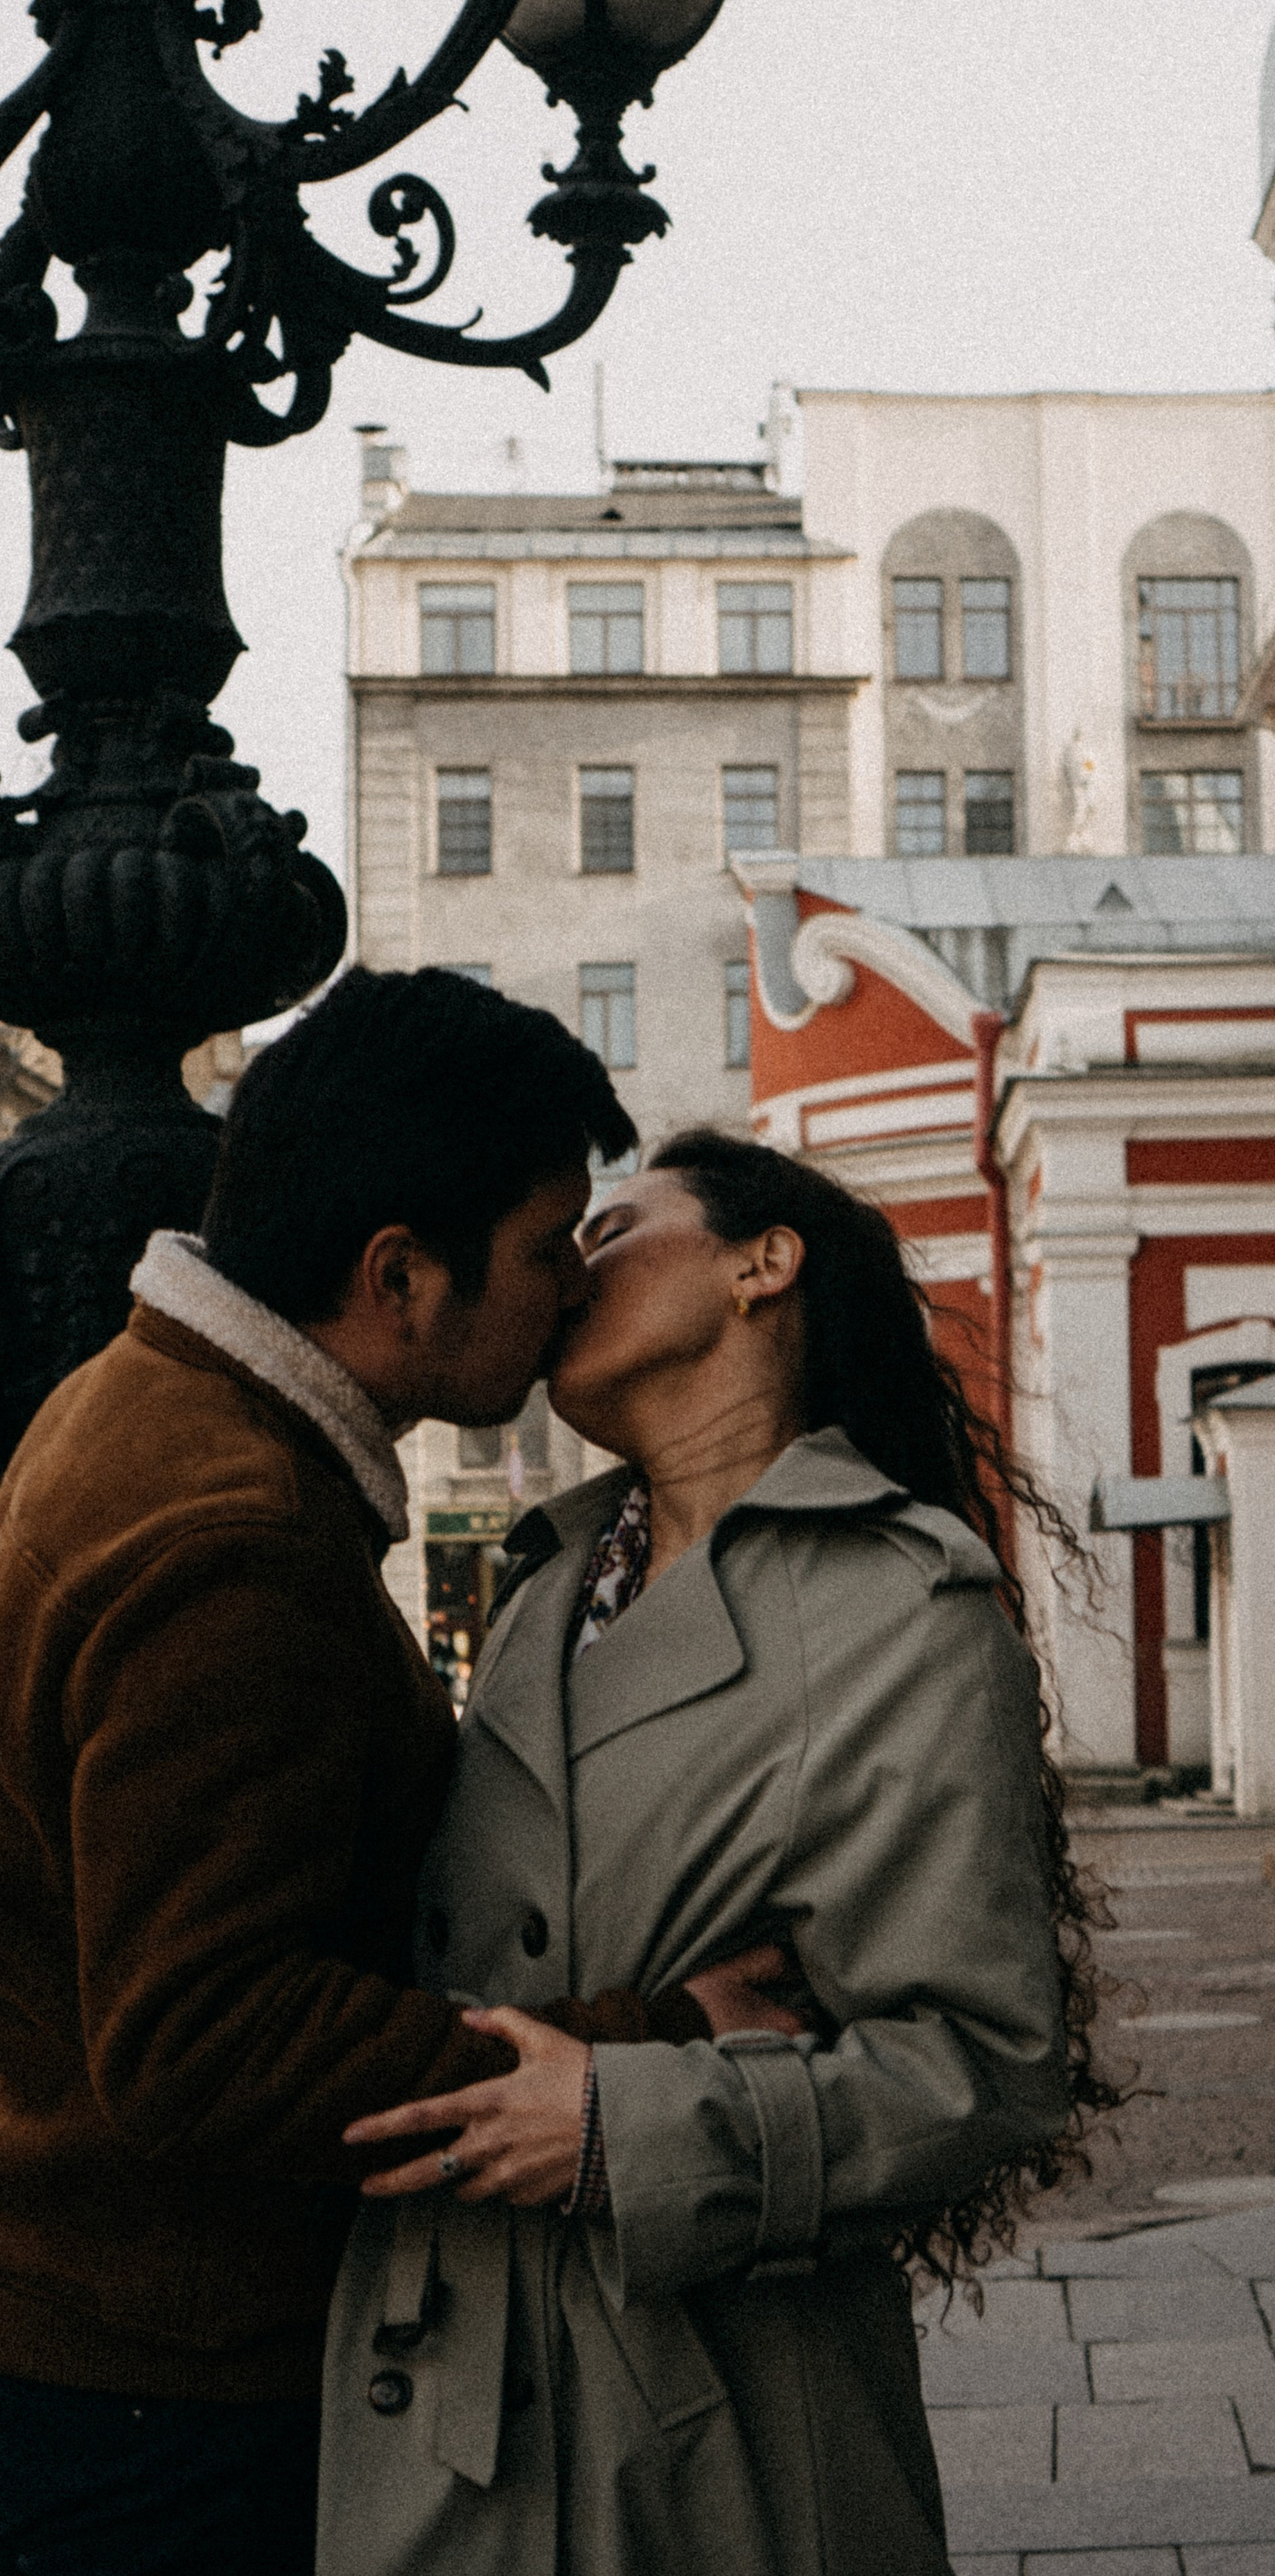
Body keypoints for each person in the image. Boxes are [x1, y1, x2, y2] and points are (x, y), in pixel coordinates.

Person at [321, 1129, 1118, 2576]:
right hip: (443, 2388)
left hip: (708, 2426)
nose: (571, 1266)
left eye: (617, 1226)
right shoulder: (547, 1584)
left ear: (764, 1263)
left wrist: (630, 2124)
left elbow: (985, 2070)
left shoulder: (903, 1611)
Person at [0, 967, 712, 2576]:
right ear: (402, 1273)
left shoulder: (144, 1402)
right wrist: (645, 2045)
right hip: (161, 2402)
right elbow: (204, 2040)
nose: (565, 1304)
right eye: (543, 1254)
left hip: (97, 2353)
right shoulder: (231, 1541)